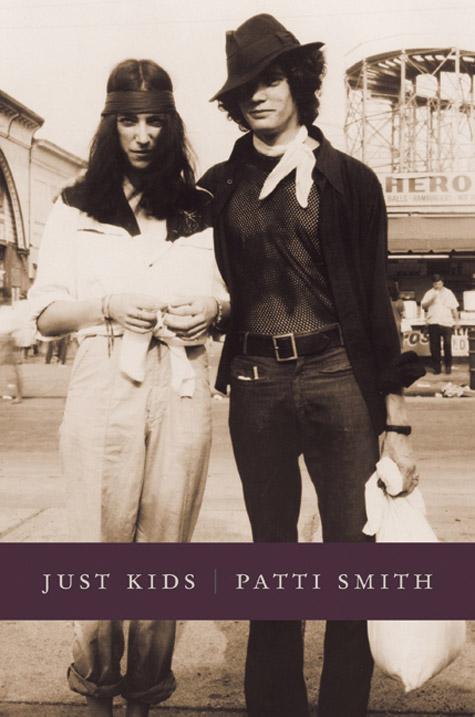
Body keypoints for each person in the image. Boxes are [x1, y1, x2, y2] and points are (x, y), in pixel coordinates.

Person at [185, 13, 424, 717]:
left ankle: (343, 706)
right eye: (243, 88)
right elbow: (192, 275)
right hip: (255, 383)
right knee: (273, 556)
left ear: (297, 82)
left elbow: (375, 300)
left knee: (351, 554)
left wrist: (396, 423)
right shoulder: (217, 186)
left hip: (338, 375)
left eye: (269, 79)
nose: (257, 96)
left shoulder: (350, 180)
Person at [28, 59, 227, 717]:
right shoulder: (75, 205)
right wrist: (107, 305)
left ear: (171, 125)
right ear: (109, 125)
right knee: (97, 541)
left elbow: (231, 295)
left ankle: (143, 696)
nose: (142, 134)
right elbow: (45, 313)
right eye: (129, 120)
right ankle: (97, 692)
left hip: (183, 381)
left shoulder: (201, 209)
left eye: (154, 121)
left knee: (167, 546)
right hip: (104, 374)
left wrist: (213, 310)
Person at [421, 274, 459, 374]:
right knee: (434, 347)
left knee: (447, 345)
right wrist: (431, 299)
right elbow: (423, 306)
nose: (437, 286)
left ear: (442, 283)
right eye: (435, 284)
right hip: (433, 322)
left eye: (439, 283)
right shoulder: (429, 293)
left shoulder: (449, 293)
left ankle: (448, 366)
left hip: (446, 322)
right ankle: (437, 367)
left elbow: (454, 308)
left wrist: (457, 321)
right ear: (432, 284)